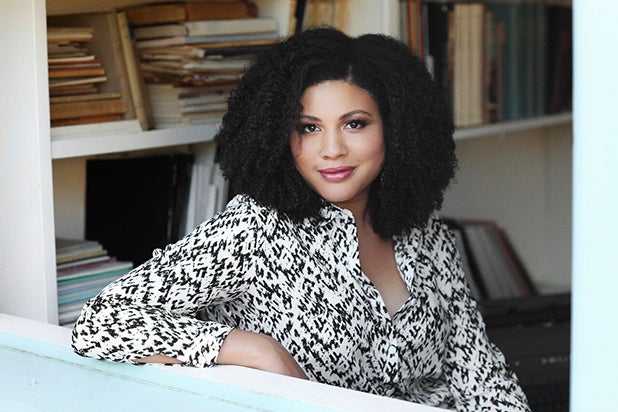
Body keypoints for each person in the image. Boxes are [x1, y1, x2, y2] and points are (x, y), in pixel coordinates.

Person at [71, 27, 530, 411]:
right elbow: (102, 322)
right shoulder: (255, 229)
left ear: (396, 129)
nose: (331, 150)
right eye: (308, 128)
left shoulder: (427, 234)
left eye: (354, 123)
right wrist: (253, 348)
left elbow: (482, 380)